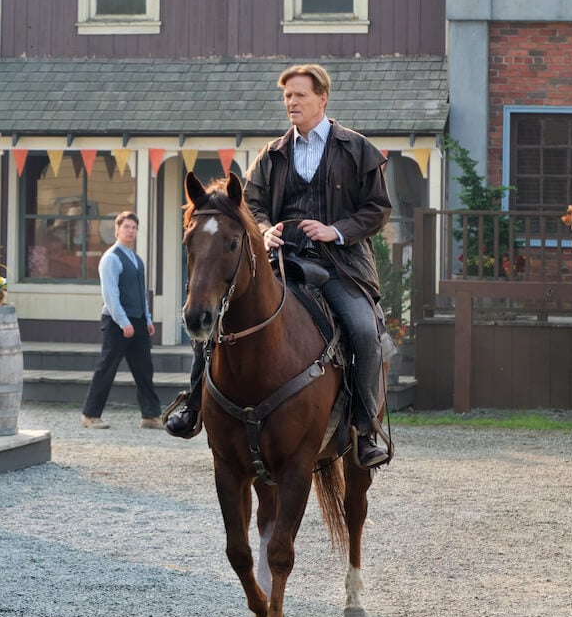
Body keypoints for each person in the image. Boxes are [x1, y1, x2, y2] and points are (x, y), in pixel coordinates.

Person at [164, 63, 393, 470]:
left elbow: (378, 209)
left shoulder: (357, 149)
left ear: (322, 98)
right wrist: (265, 229)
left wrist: (335, 230)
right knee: (215, 320)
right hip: (280, 262)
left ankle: (365, 427)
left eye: (300, 95)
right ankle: (193, 407)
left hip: (341, 265)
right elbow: (248, 206)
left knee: (363, 329)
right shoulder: (271, 155)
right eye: (287, 96)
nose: (292, 102)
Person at [80, 212, 162, 430]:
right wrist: (124, 322)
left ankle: (150, 416)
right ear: (117, 230)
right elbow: (110, 295)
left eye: (134, 227)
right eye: (127, 227)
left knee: (145, 369)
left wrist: (148, 319)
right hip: (117, 323)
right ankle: (90, 415)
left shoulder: (137, 260)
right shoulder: (111, 258)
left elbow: (140, 292)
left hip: (138, 321)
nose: (131, 231)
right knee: (106, 369)